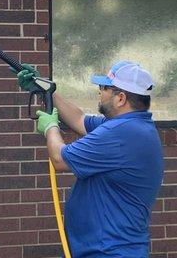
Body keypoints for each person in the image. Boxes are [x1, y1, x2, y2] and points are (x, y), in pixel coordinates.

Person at [16, 60, 164, 258]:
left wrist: (50, 127)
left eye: (104, 88)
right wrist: (45, 88)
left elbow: (59, 159)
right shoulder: (130, 126)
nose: (99, 91)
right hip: (102, 249)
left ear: (120, 98)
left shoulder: (122, 132)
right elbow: (79, 119)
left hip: (109, 252)